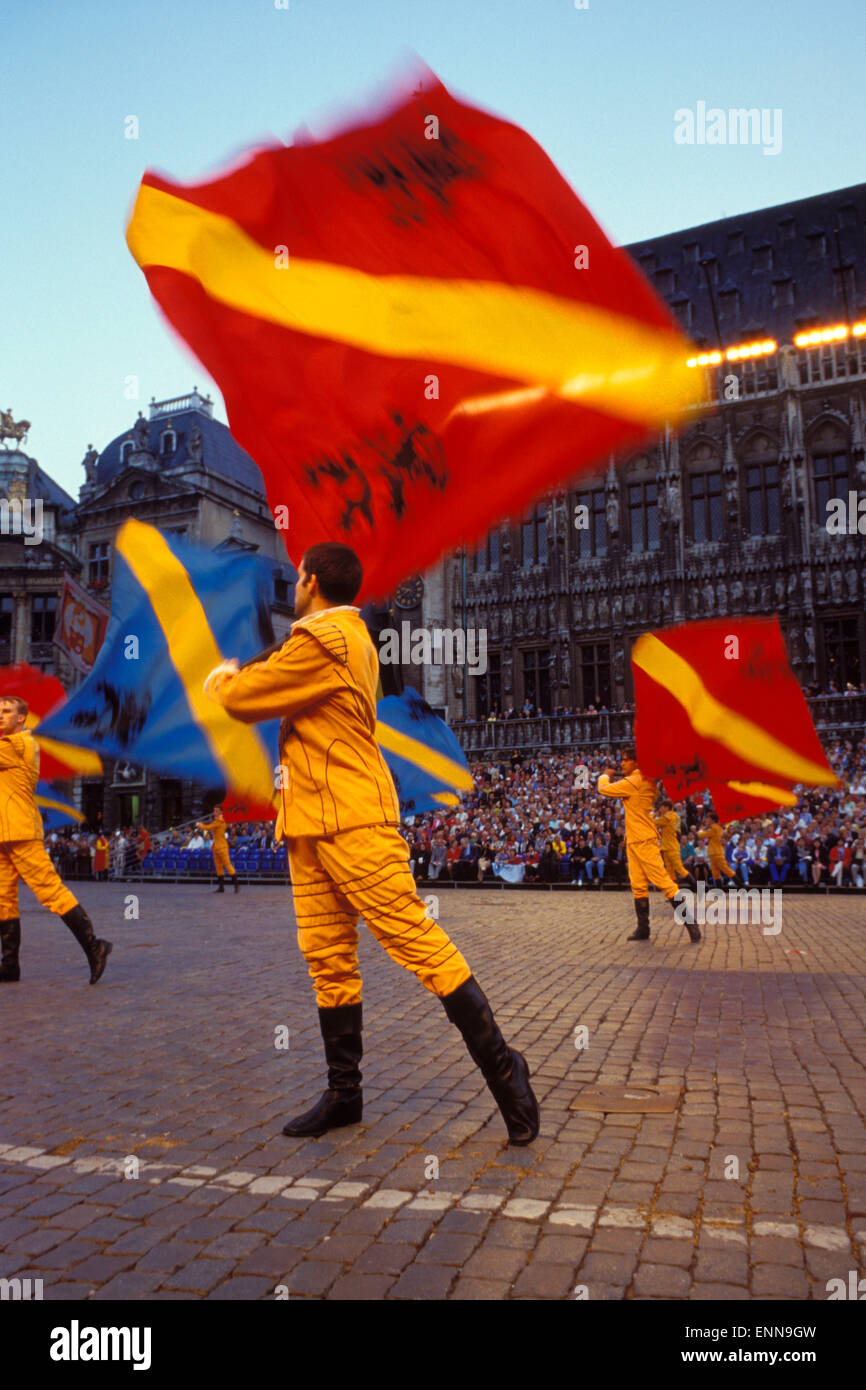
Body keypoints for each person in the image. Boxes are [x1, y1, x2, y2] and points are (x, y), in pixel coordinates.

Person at [204, 541, 538, 1145]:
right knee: (328, 957)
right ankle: (344, 1093)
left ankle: (504, 1067)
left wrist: (226, 676)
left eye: (298, 578)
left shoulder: (326, 639)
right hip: (310, 820)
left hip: (352, 817)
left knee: (415, 940)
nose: (295, 586)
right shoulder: (336, 635)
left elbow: (243, 701)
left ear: (307, 581)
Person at [0, 695, 112, 984]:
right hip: (4, 833)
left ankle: (94, 945)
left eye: (6, 711)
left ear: (21, 717)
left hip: (20, 830)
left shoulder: (18, 744)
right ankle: (10, 965)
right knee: (3, 898)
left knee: (50, 890)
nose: (0, 715)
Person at [598, 747, 699, 943]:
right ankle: (643, 929)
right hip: (635, 839)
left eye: (626, 760)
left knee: (664, 883)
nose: (622, 764)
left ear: (636, 763)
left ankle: (691, 925)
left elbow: (604, 789)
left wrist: (604, 775)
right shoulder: (644, 779)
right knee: (638, 885)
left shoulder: (636, 780)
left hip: (644, 840)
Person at [653, 798, 696, 888]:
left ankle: (698, 888)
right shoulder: (673, 816)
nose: (660, 809)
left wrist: (653, 815)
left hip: (671, 847)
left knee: (679, 869)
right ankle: (674, 893)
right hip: (667, 847)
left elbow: (652, 823)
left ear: (666, 807)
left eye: (661, 807)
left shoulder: (667, 817)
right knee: (670, 871)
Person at [196, 805, 239, 893]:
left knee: (227, 865)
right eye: (214, 811)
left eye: (216, 811)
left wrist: (199, 824)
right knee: (219, 867)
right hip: (217, 846)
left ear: (220, 812)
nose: (214, 812)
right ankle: (222, 887)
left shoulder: (219, 821)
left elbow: (207, 828)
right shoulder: (218, 821)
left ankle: (236, 885)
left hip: (221, 847)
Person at [698, 814, 738, 886]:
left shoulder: (714, 828)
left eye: (708, 818)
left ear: (713, 820)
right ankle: (720, 891)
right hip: (714, 853)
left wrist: (701, 829)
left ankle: (742, 886)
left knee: (726, 870)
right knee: (716, 873)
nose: (706, 820)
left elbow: (701, 835)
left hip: (716, 853)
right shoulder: (717, 827)